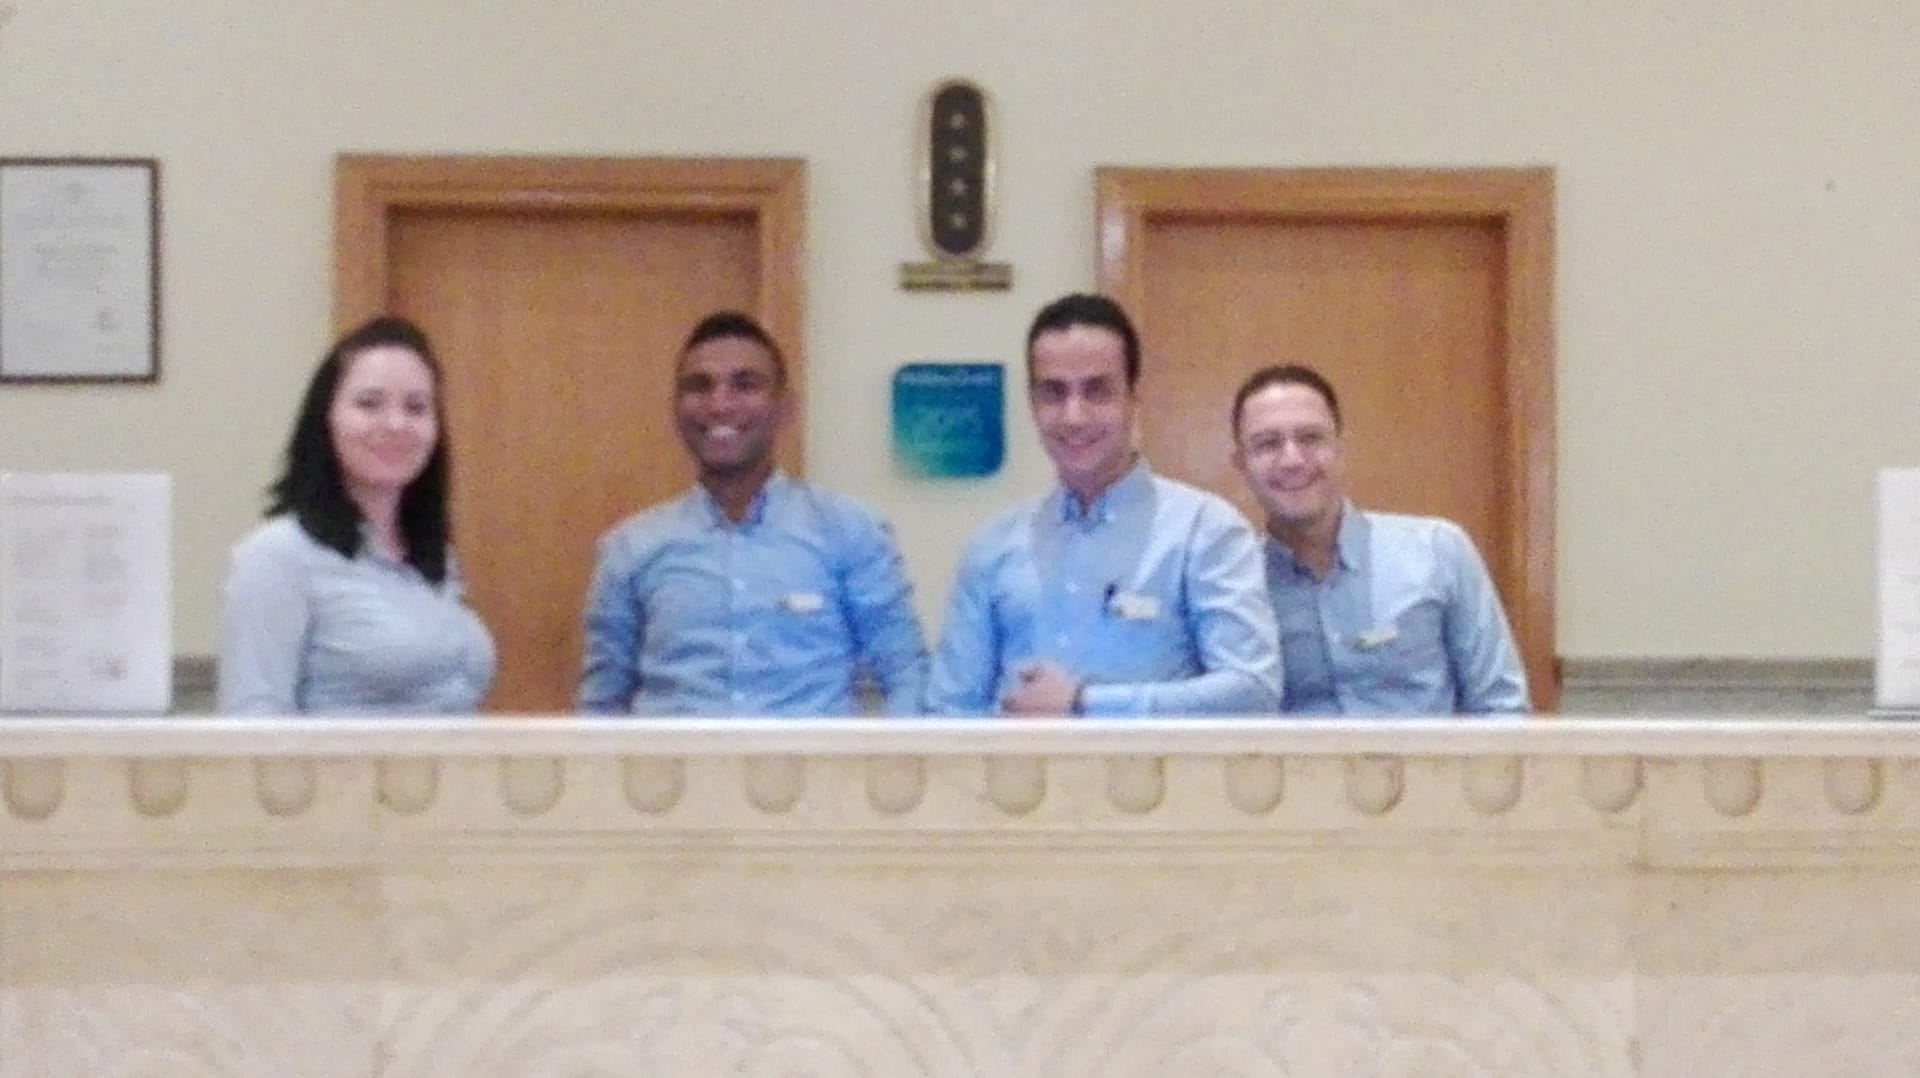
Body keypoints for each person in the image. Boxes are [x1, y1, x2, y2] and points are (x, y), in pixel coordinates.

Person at [926, 293, 1281, 716]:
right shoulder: (993, 546)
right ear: (1032, 403)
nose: (1074, 416)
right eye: (1053, 393)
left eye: (1097, 391)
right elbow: (949, 710)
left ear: (1134, 398)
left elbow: (1253, 690)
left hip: (1157, 763)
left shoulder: (1205, 532)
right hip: (1013, 762)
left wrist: (1085, 703)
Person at [578, 311, 928, 716]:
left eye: (745, 385)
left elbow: (906, 673)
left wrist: (890, 758)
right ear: (676, 409)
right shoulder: (630, 548)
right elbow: (602, 705)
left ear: (785, 409)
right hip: (678, 758)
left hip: (811, 758)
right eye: (699, 386)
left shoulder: (850, 533)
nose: (720, 404)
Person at [219, 316, 496, 714]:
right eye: (369, 404)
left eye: (416, 407)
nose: (396, 424)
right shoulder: (277, 558)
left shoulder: (431, 557)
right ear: (326, 419)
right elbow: (253, 725)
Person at [1230, 363, 1528, 715]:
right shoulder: (1234, 587)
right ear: (1241, 464)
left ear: (1341, 449)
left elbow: (1500, 707)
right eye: (1267, 444)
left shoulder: (1438, 551)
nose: (1292, 460)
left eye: (1310, 438)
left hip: (1424, 753)